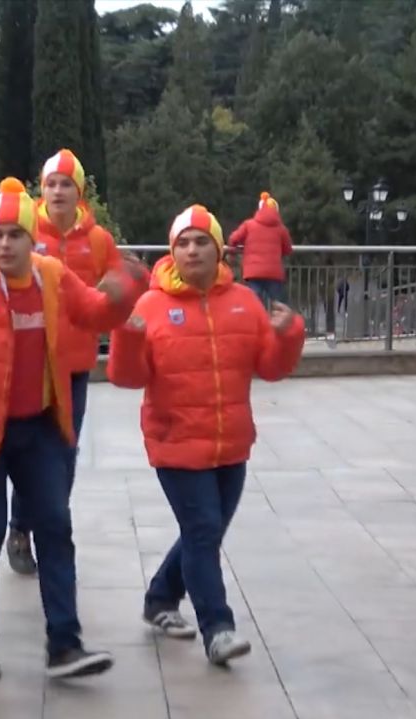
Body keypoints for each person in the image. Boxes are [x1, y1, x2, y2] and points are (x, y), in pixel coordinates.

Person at [0, 178, 142, 680]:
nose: (4, 245)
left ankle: (65, 644)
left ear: (31, 238)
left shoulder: (52, 276)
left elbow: (95, 314)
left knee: (55, 528)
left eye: (14, 235)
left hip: (40, 427)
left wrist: (125, 288)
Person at [108, 204, 304, 664]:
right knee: (202, 530)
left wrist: (289, 333)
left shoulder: (243, 302)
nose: (192, 250)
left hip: (231, 443)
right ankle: (218, 629)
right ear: (172, 251)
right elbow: (125, 377)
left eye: (202, 242)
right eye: (183, 243)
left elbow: (270, 368)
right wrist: (128, 338)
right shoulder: (151, 306)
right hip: (175, 442)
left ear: (220, 250)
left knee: (205, 533)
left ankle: (160, 598)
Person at [5, 148, 125, 577]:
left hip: (73, 365)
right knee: (30, 453)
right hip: (31, 363)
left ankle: (48, 522)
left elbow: (116, 281)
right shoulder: (23, 229)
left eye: (65, 184)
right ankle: (20, 527)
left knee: (65, 452)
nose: (57, 191)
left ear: (79, 192)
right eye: (51, 184)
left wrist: (119, 289)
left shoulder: (98, 239)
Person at [227, 191, 294, 308]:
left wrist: (234, 248)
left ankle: (257, 320)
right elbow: (288, 249)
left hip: (253, 272)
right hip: (274, 273)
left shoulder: (249, 225)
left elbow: (233, 239)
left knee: (254, 305)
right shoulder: (281, 229)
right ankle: (278, 320)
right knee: (280, 307)